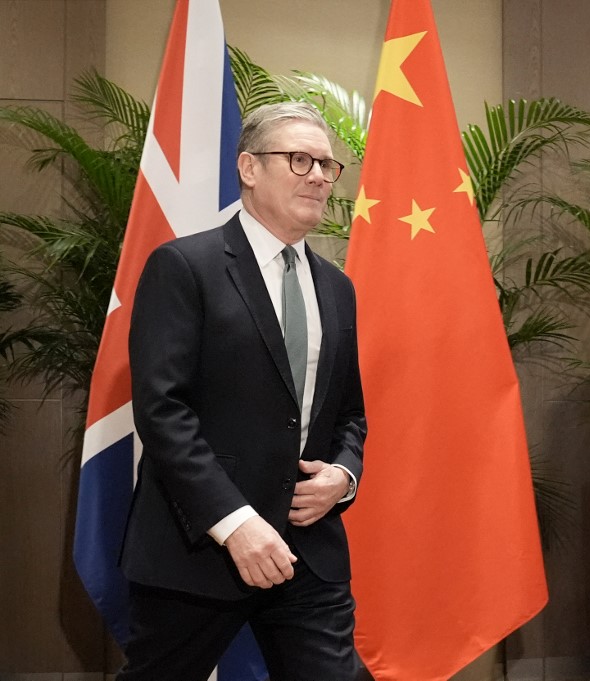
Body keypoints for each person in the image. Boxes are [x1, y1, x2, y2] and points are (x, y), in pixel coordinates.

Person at [117, 102, 366, 681]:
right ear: (249, 168)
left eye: (328, 166)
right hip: (201, 549)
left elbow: (350, 412)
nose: (318, 176)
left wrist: (343, 476)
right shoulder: (184, 266)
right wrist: (234, 521)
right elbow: (162, 411)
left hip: (309, 550)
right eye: (299, 159)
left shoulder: (338, 286)